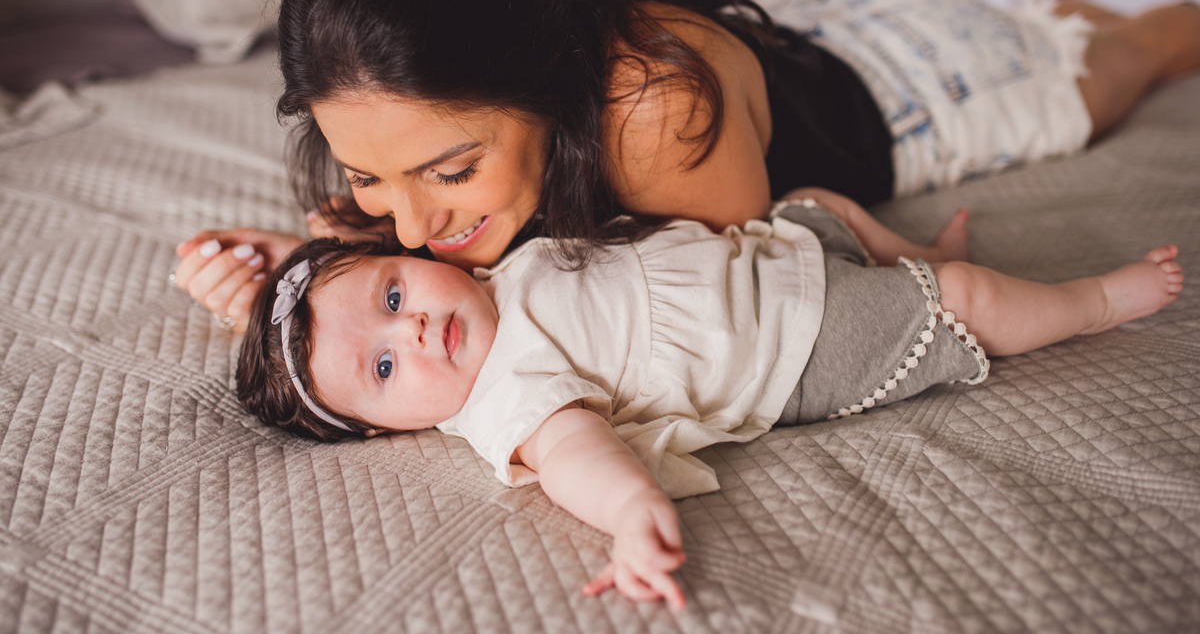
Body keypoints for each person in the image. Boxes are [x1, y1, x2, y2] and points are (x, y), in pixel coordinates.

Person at [172, 0, 1200, 331]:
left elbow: (687, 304)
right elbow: (431, 240)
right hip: (809, 28)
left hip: (924, 81)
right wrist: (314, 271)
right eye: (366, 175)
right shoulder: (401, 110)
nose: (413, 225)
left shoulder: (656, 111)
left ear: (541, 74)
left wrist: (352, 267)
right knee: (1052, 12)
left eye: (449, 172)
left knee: (1124, 58)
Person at [236, 192, 1183, 609]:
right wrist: (634, 514)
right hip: (792, 345)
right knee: (964, 304)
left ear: (407, 257)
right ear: (382, 428)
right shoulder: (504, 397)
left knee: (826, 199)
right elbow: (578, 459)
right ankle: (1091, 302)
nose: (410, 333)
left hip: (767, 256)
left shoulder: (490, 266)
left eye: (393, 298)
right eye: (387, 372)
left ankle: (909, 248)